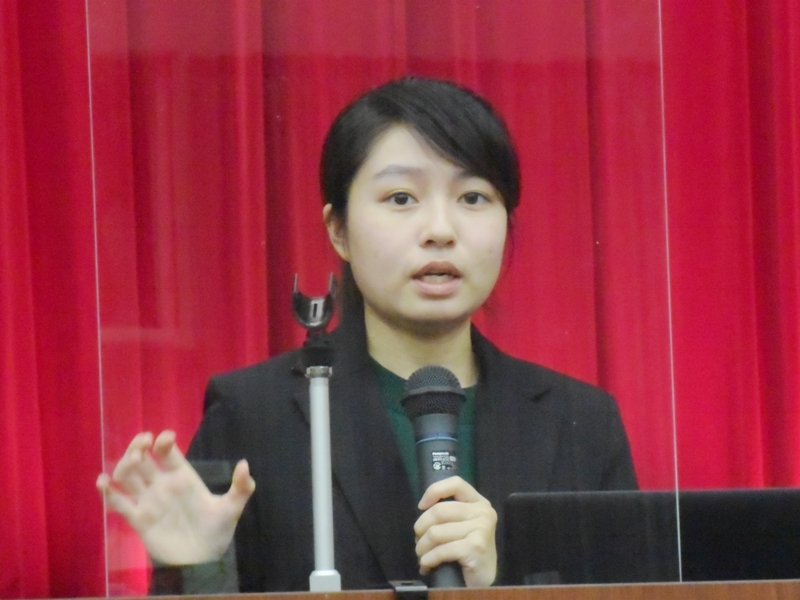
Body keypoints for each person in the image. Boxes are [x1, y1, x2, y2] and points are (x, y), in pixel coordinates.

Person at [96, 76, 637, 593]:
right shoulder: (253, 416)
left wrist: (499, 584)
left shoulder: (582, 425)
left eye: (473, 197)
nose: (440, 230)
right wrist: (194, 569)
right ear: (339, 230)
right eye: (401, 198)